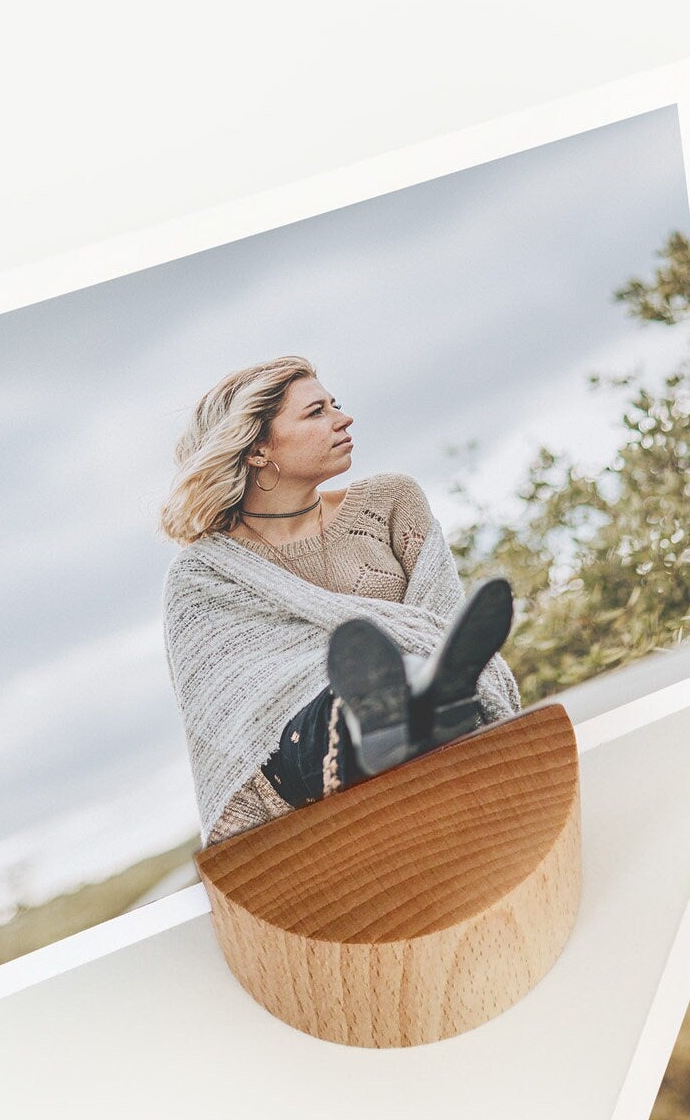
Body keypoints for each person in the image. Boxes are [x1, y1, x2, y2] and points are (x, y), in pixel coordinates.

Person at [158, 355, 520, 844]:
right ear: (259, 449)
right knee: (329, 713)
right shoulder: (203, 573)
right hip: (304, 773)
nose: (343, 419)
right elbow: (232, 722)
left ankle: (418, 699)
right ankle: (382, 715)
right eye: (316, 413)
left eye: (336, 405)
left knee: (427, 665)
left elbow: (439, 625)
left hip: (439, 733)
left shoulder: (391, 501)